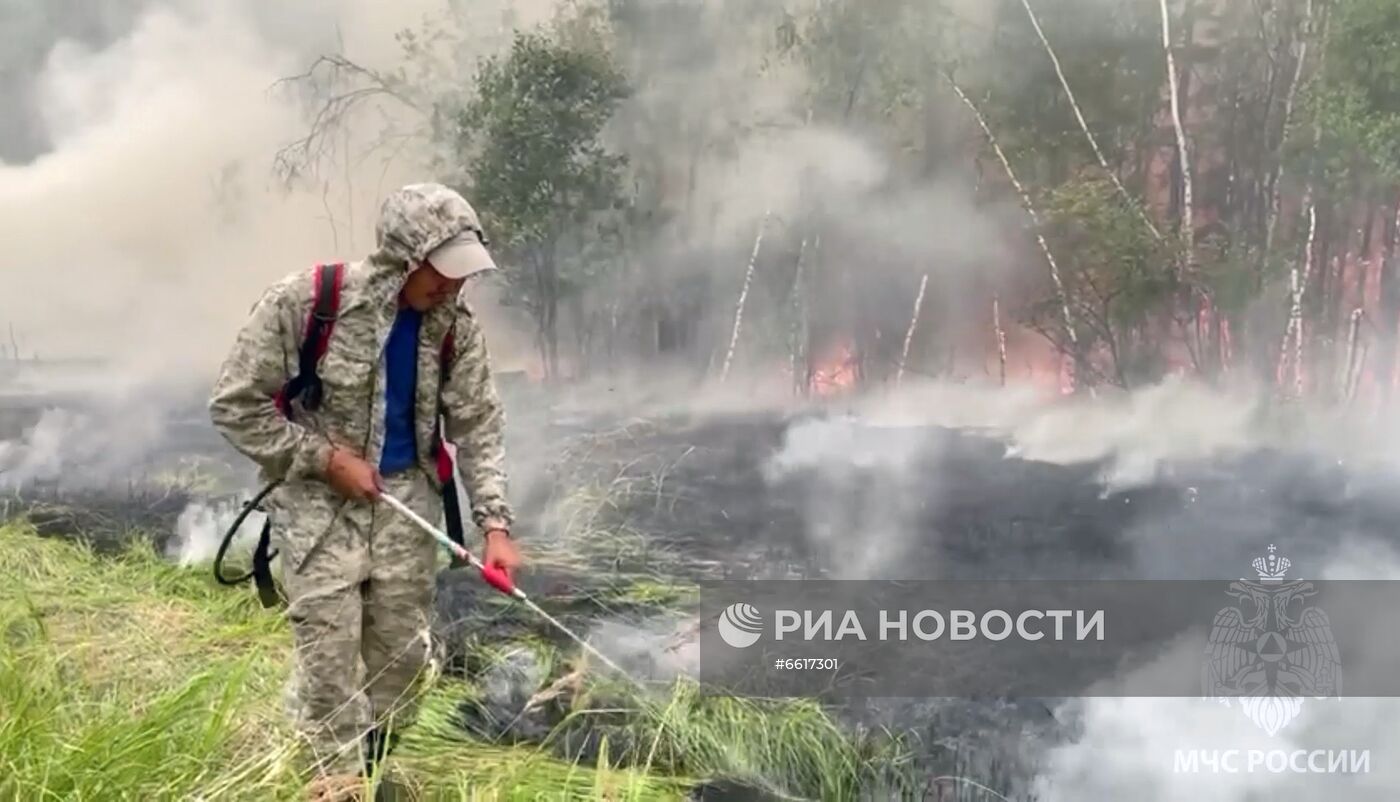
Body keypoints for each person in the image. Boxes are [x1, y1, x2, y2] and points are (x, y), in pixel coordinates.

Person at [208, 182, 522, 800]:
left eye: (463, 275)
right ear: (404, 256)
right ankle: (336, 782)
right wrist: (323, 460)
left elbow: (478, 423)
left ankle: (369, 763)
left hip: (408, 508)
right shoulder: (307, 303)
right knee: (328, 659)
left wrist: (495, 526)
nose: (453, 286)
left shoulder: (453, 325)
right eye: (442, 272)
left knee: (402, 662)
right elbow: (235, 405)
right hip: (318, 508)